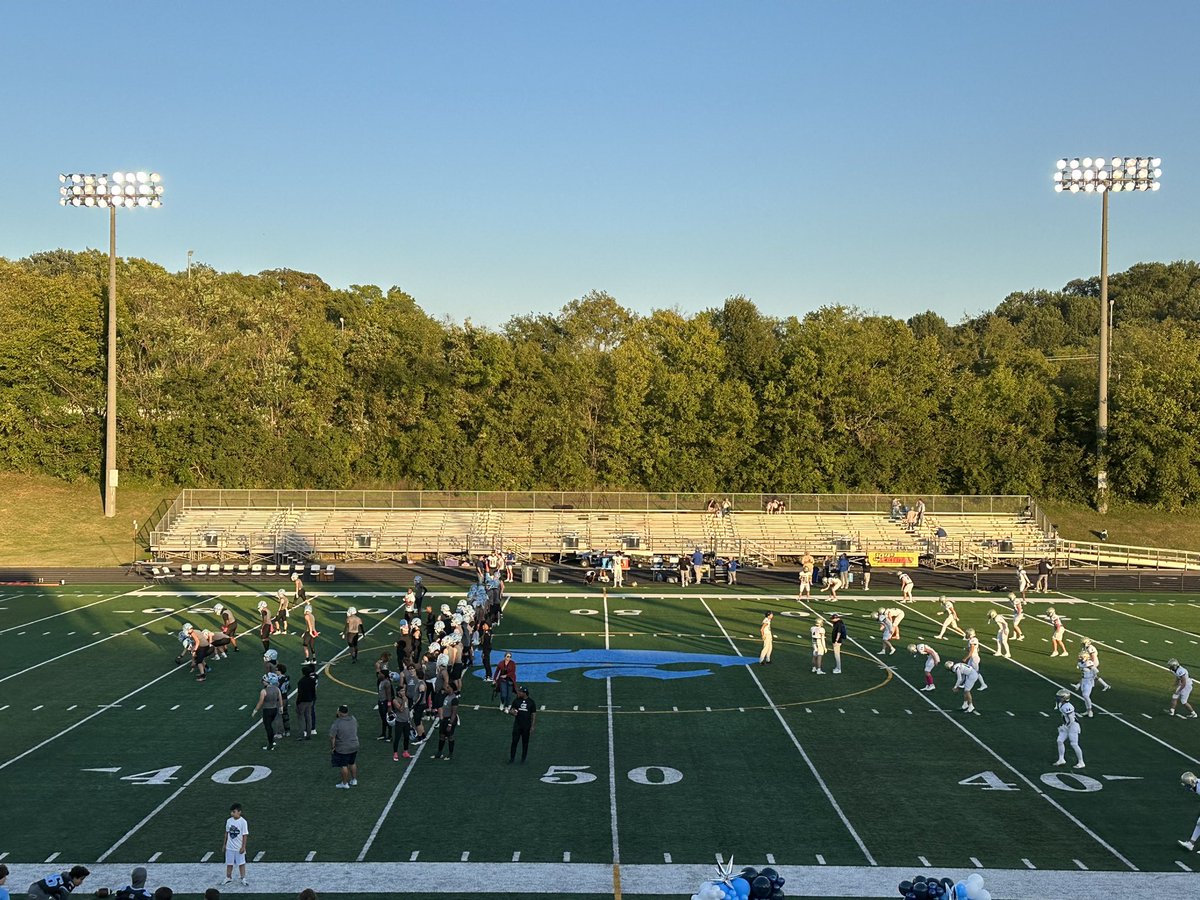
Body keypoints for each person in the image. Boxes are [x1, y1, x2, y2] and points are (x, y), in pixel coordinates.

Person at [330, 704, 360, 788]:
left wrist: (333, 747)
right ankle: (354, 780)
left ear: (339, 712)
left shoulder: (337, 723)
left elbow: (332, 737)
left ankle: (344, 783)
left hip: (343, 748)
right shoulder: (353, 719)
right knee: (352, 762)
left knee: (344, 765)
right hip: (354, 745)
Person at [1054, 688, 1085, 768]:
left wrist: (1064, 727)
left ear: (1064, 698)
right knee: (1060, 741)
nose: (1058, 698)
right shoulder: (1062, 704)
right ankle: (1061, 759)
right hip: (1067, 725)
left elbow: (1071, 719)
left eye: (1060, 697)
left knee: (1074, 744)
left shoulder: (1068, 706)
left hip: (1073, 726)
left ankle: (1081, 762)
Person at [221, 803, 250, 886]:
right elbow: (227, 833)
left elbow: (245, 835)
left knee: (241, 863)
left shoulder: (243, 822)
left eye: (234, 811)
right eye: (232, 812)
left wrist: (243, 847)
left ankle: (243, 877)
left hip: (238, 847)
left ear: (239, 812)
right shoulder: (229, 821)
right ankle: (228, 877)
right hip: (230, 847)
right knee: (229, 863)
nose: (232, 813)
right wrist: (224, 845)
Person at [253, 673, 283, 751]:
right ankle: (272, 742)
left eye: (264, 680)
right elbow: (280, 698)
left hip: (267, 711)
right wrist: (281, 707)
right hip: (274, 709)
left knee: (268, 727)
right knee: (270, 726)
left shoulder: (264, 691)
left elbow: (260, 702)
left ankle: (270, 745)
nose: (263, 682)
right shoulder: (277, 689)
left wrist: (255, 710)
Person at [508, 683, 537, 763]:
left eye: (520, 692)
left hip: (526, 726)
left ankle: (523, 759)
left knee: (525, 743)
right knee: (514, 742)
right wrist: (512, 712)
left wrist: (532, 726)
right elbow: (511, 710)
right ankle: (512, 759)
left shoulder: (531, 702)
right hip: (517, 725)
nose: (519, 693)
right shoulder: (516, 701)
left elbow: (533, 714)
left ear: (525, 693)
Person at [432, 685, 460, 760]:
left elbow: (454, 713)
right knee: (441, 735)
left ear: (452, 689)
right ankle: (439, 753)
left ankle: (450, 754)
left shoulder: (454, 699)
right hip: (444, 719)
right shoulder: (447, 696)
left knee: (450, 736)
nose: (446, 688)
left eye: (448, 687)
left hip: (450, 719)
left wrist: (450, 724)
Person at [390, 672, 412, 761]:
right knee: (398, 738)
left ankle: (405, 751)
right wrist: (403, 700)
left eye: (403, 691)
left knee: (406, 737)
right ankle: (395, 753)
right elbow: (401, 709)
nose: (403, 692)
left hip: (406, 721)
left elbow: (407, 709)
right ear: (398, 692)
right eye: (401, 691)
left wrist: (410, 718)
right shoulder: (395, 700)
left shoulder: (405, 698)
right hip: (399, 721)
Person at [1177, 771, 1200, 851]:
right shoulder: (1195, 785)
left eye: (1187, 783)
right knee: (1199, 824)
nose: (1187, 785)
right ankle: (1191, 844)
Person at [296, 661, 318, 739]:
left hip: (302, 700)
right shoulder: (312, 680)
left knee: (301, 717)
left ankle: (302, 734)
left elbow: (300, 692)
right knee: (309, 716)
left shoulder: (301, 681)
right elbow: (313, 691)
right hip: (310, 699)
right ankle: (309, 733)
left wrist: (297, 702)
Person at [1072, 652, 1098, 717]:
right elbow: (1083, 676)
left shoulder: (1089, 663)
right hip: (1084, 681)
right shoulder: (1080, 663)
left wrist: (1093, 677)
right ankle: (1087, 710)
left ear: (1085, 657)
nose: (1079, 658)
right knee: (1084, 696)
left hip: (1089, 681)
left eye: (1081, 657)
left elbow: (1096, 671)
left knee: (1085, 695)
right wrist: (1079, 684)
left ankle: (1090, 710)